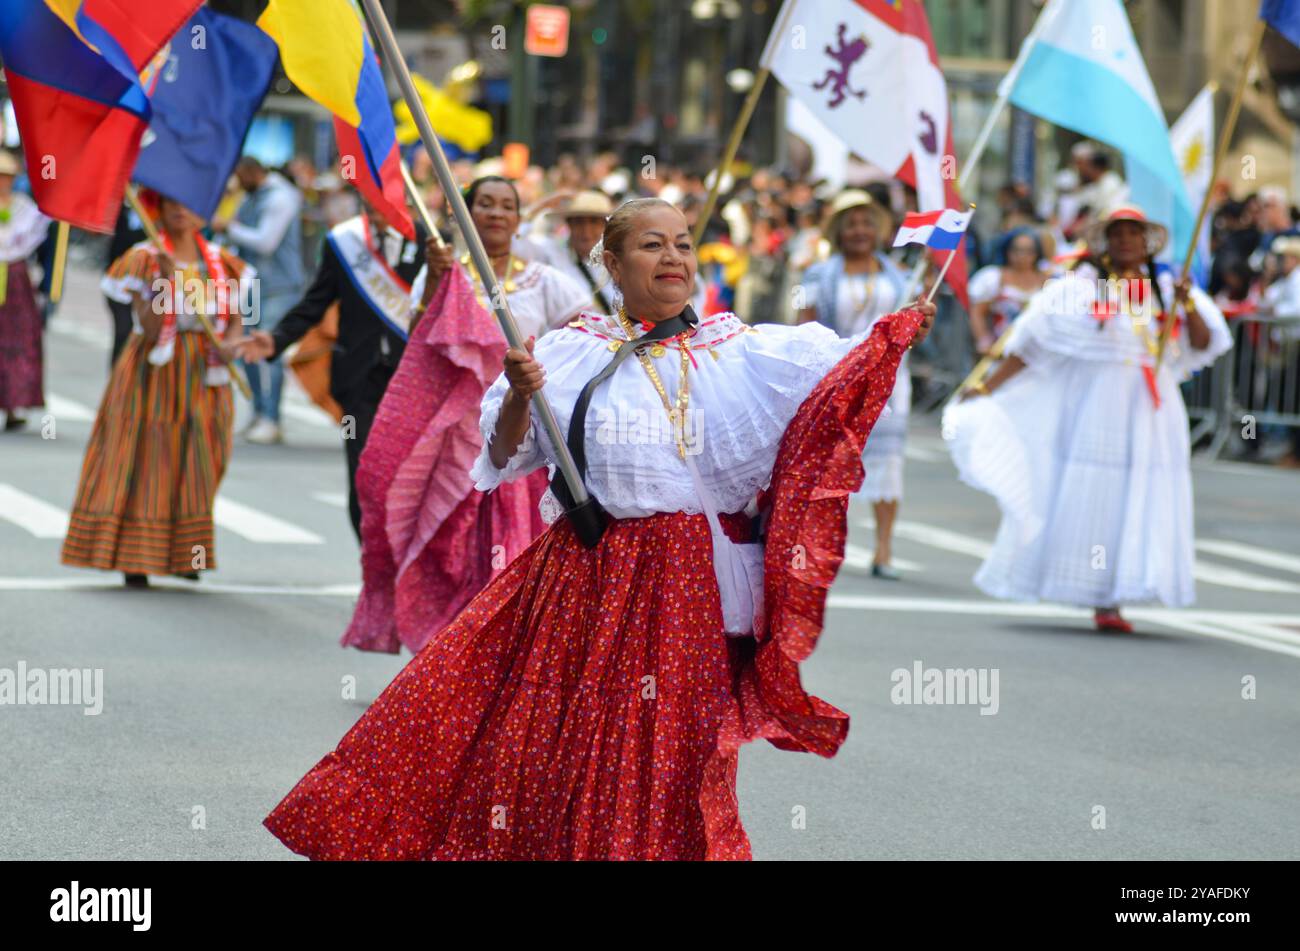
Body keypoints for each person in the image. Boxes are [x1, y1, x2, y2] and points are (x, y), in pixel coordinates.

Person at [263, 197, 934, 860]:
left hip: (685, 590)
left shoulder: (741, 350)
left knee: (665, 752)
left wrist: (900, 331)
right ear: (611, 262)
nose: (672, 256)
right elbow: (502, 456)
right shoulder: (570, 350)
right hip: (585, 577)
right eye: (652, 244)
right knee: (548, 738)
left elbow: (843, 371)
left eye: (681, 243)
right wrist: (521, 393)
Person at [943, 205, 1233, 632]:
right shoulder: (1081, 287)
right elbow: (1035, 345)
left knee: (1143, 491)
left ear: (1146, 242)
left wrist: (1188, 303)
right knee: (1099, 490)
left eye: (1133, 234)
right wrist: (989, 385)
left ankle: (1120, 591)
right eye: (1117, 234)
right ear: (1104, 242)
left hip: (1153, 408)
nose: (1125, 242)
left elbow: (1203, 342)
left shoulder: (1169, 286)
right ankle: (1093, 590)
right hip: (1099, 404)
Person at [341, 175, 590, 654]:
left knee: (508, 554)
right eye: (485, 204)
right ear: (464, 214)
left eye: (506, 206)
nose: (496, 214)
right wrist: (436, 281)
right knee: (447, 547)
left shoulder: (546, 281)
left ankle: (495, 655)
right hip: (452, 438)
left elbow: (584, 342)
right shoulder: (443, 272)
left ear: (519, 219)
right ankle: (446, 654)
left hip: (517, 439)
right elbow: (416, 343)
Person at [61, 191, 252, 586]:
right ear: (157, 210)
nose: (181, 210)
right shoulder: (144, 259)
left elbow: (235, 323)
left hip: (206, 370)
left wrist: (233, 344)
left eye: (188, 203)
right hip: (154, 370)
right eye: (171, 203)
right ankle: (136, 557)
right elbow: (147, 328)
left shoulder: (226, 265)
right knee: (147, 457)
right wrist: (164, 283)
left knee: (201, 457)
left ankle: (188, 554)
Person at [236, 195, 426, 538]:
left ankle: (404, 565)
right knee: (363, 472)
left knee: (410, 476)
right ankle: (371, 562)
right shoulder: (345, 241)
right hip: (358, 381)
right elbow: (316, 301)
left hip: (413, 381)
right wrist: (278, 339)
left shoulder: (429, 242)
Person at [796, 190, 910, 579]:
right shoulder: (817, 274)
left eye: (866, 223)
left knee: (888, 460)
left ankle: (883, 551)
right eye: (852, 224)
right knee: (826, 461)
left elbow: (915, 331)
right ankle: (814, 546)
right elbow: (804, 325)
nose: (860, 231)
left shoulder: (901, 278)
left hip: (890, 380)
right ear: (840, 232)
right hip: (837, 376)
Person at [218, 156, 304, 445]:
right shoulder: (251, 196)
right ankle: (258, 412)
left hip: (279, 287)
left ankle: (272, 417)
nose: (237, 184)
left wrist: (228, 228)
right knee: (249, 349)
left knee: (270, 349)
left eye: (240, 177)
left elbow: (266, 241)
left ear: (251, 172)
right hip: (253, 285)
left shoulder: (281, 197)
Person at [0, 150, 50, 431]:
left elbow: (40, 242)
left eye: (6, 177)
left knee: (16, 340)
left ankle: (13, 403)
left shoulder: (23, 207)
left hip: (15, 280)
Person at [521, 189, 617, 314]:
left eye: (594, 222)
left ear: (605, 225)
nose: (586, 231)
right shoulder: (551, 252)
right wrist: (540, 206)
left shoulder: (619, 259)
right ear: (568, 224)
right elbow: (514, 242)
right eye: (578, 222)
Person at [967, 227, 1052, 355]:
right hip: (1001, 352)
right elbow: (978, 313)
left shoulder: (1048, 280)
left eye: (1029, 251)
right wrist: (983, 340)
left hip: (1038, 354)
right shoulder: (993, 277)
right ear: (1008, 251)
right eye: (1017, 250)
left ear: (1037, 253)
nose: (1022, 256)